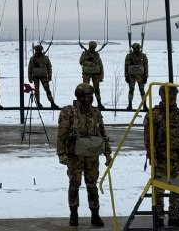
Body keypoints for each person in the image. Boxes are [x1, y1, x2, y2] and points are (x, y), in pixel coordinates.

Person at [57, 83, 112, 228]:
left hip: (92, 155)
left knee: (92, 184)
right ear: (80, 96)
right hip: (75, 155)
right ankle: (73, 214)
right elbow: (61, 134)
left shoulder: (95, 112)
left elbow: (102, 133)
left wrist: (107, 153)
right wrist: (61, 154)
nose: (91, 98)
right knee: (74, 183)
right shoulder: (68, 112)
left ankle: (95, 214)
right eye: (88, 95)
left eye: (91, 95)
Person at [143, 85, 179, 228]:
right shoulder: (155, 114)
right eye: (168, 94)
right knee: (159, 190)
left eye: (174, 94)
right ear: (161, 95)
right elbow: (149, 137)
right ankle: (159, 217)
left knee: (178, 189)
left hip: (178, 159)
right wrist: (152, 156)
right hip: (161, 159)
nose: (171, 97)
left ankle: (174, 216)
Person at [28, 44, 58, 109]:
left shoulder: (45, 58)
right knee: (36, 90)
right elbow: (29, 68)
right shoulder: (32, 58)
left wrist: (49, 75)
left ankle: (52, 102)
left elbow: (49, 67)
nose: (37, 51)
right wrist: (30, 77)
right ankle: (38, 103)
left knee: (47, 89)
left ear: (41, 50)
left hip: (43, 76)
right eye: (36, 50)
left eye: (38, 50)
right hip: (35, 76)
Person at [79, 41, 105, 109]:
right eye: (92, 47)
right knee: (85, 90)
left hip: (96, 74)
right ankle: (85, 104)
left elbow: (100, 65)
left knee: (97, 90)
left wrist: (101, 75)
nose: (93, 49)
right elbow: (81, 62)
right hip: (86, 74)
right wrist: (89, 63)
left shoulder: (96, 55)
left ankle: (99, 103)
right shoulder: (85, 54)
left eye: (94, 47)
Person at [124, 42, 149, 110]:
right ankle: (130, 105)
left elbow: (146, 66)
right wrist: (126, 76)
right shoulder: (129, 56)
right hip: (131, 76)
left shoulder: (143, 56)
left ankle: (144, 105)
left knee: (142, 90)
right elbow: (126, 66)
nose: (136, 50)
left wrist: (146, 76)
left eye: (137, 48)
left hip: (141, 76)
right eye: (134, 48)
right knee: (131, 90)